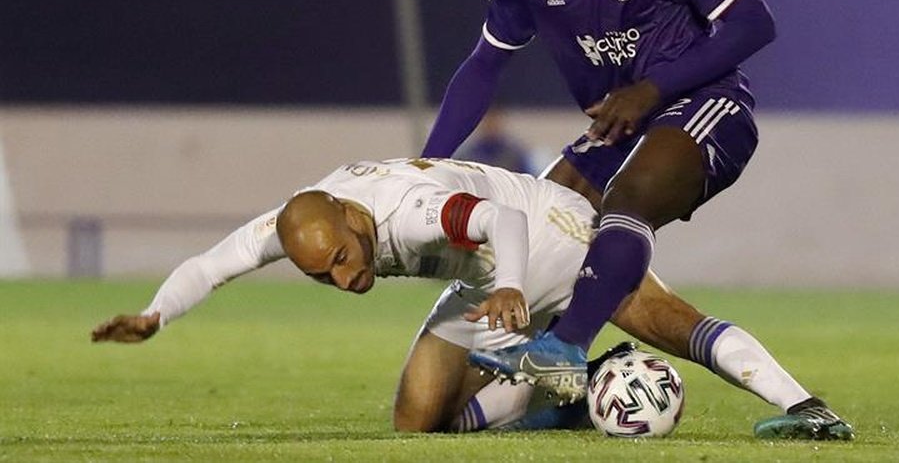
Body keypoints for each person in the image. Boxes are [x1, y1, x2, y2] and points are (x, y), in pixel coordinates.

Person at [421, 0, 853, 440]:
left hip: (706, 107)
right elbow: (485, 62)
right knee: (545, 242)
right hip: (618, 131)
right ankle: (526, 401)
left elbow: (753, 24)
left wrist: (652, 88)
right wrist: (430, 165)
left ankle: (566, 350)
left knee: (627, 202)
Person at [92, 157, 848, 438]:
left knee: (665, 319)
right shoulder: (305, 224)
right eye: (322, 275)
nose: (342, 278)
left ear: (355, 222)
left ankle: (805, 406)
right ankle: (569, 394)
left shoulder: (410, 211)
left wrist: (516, 288)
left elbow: (498, 219)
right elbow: (212, 263)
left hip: (547, 238)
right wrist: (158, 313)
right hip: (486, 274)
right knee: (418, 420)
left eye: (347, 262)